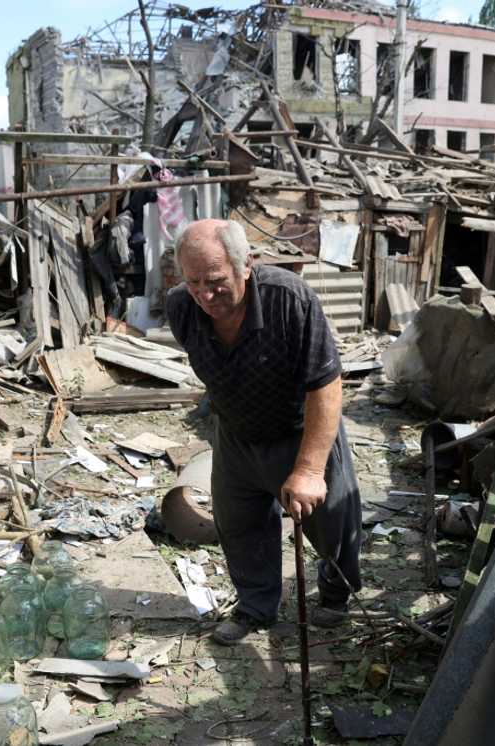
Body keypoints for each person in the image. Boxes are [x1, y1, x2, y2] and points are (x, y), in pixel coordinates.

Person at [166, 218, 362, 645]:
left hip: (299, 428)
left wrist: (309, 469)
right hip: (236, 433)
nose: (204, 294)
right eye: (193, 281)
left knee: (333, 523)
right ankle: (256, 607)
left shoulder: (288, 299)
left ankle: (335, 594)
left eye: (216, 281)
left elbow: (326, 387)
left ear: (246, 265)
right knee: (239, 525)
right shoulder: (181, 307)